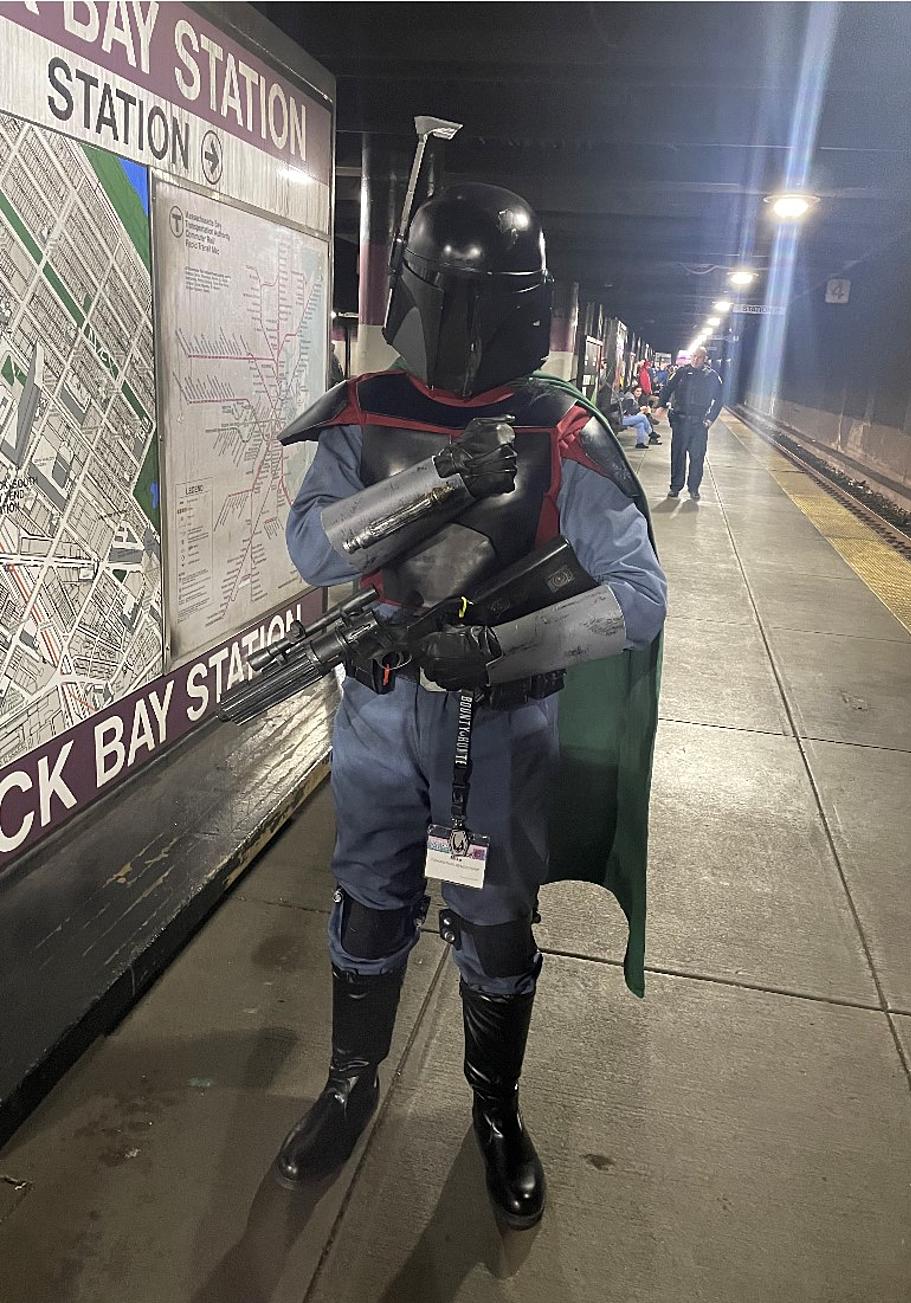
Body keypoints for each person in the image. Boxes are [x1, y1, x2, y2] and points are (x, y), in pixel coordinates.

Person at [275, 180, 667, 1229]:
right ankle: (350, 1081)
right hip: (375, 715)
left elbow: (634, 598)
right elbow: (313, 546)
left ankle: (494, 1109)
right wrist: (440, 478)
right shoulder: (365, 413)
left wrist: (490, 645)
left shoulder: (563, 431)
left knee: (492, 924)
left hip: (496, 727)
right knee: (368, 900)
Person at [655, 346, 723, 499]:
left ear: (705, 359)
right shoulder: (681, 372)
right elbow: (667, 388)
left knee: (697, 457)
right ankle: (675, 486)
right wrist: (660, 404)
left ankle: (694, 488)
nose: (695, 359)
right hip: (680, 421)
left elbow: (719, 400)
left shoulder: (712, 377)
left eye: (699, 357)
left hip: (699, 424)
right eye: (693, 356)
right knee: (678, 455)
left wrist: (710, 419)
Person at [621, 384, 660, 448]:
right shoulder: (630, 399)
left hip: (628, 417)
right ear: (633, 391)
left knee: (641, 424)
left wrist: (641, 411)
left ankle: (640, 443)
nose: (639, 393)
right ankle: (650, 433)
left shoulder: (634, 398)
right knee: (643, 417)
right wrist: (640, 409)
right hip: (622, 418)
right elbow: (629, 411)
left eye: (640, 391)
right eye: (637, 391)